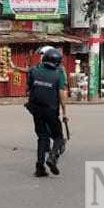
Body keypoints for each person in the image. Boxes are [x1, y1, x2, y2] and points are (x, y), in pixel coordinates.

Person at [26, 47, 69, 177]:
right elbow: (62, 94)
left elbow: (29, 87)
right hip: (51, 110)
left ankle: (40, 167)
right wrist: (65, 112)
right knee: (59, 138)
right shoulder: (59, 74)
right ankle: (52, 158)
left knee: (42, 137)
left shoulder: (34, 71)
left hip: (36, 110)